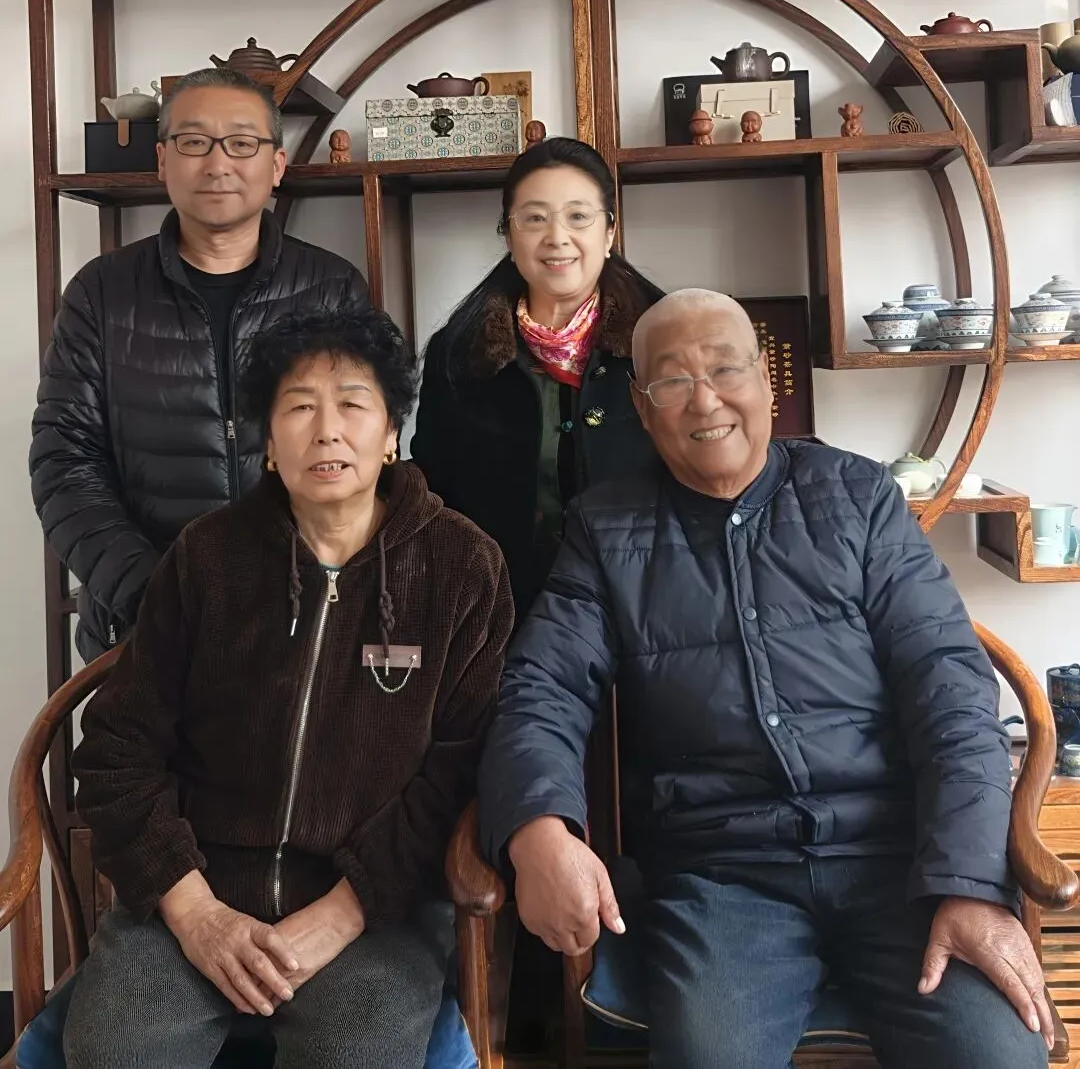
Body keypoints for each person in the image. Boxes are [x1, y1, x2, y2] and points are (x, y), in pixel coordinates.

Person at [478, 288, 1052, 1069]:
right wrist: (538, 828)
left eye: (725, 368)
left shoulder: (858, 498)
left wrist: (970, 885)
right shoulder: (606, 529)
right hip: (723, 877)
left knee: (996, 1055)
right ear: (642, 408)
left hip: (900, 860)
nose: (704, 399)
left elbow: (950, 689)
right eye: (673, 380)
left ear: (765, 380)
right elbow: (541, 690)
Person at [64, 305, 514, 1069]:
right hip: (196, 887)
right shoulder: (207, 559)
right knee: (113, 1051)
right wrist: (195, 912)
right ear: (268, 442)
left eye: (353, 404)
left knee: (352, 1055)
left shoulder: (461, 566)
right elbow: (118, 748)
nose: (327, 430)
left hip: (376, 907)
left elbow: (459, 774)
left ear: (392, 432)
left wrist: (343, 912)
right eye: (300, 407)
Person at [30, 67, 369, 661]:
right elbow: (65, 460)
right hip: (144, 627)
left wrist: (313, 584)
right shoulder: (102, 292)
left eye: (241, 142)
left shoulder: (331, 288)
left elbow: (362, 451)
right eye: (193, 142)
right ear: (163, 161)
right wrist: (154, 595)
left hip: (303, 620)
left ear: (277, 165)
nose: (217, 164)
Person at [411, 137, 664, 615]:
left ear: (609, 231)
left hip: (643, 609)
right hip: (501, 613)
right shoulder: (460, 352)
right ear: (509, 235)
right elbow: (435, 499)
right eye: (534, 218)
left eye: (578, 216)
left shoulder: (662, 340)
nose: (557, 237)